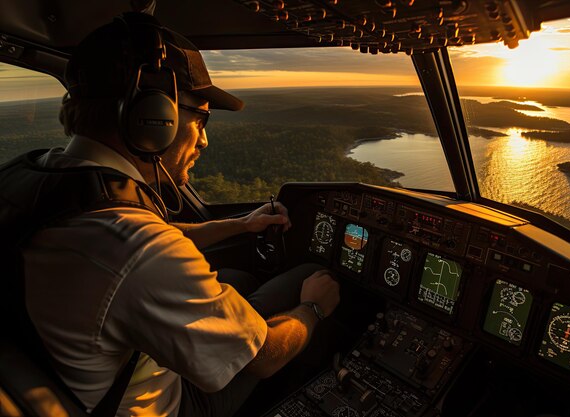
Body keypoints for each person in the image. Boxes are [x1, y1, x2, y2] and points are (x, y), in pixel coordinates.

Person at [11, 12, 340, 417]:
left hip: (76, 380)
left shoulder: (38, 178)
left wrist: (241, 223)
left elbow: (150, 242)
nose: (203, 140)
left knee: (239, 280)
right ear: (152, 118)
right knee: (303, 279)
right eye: (201, 118)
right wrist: (313, 308)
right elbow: (266, 357)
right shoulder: (137, 248)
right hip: (159, 405)